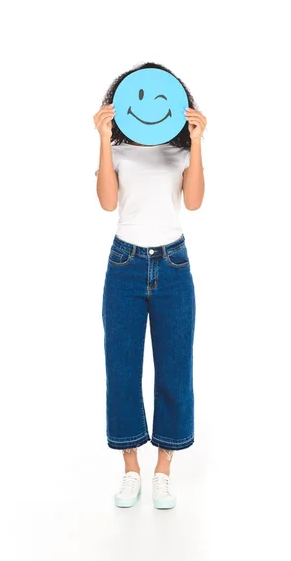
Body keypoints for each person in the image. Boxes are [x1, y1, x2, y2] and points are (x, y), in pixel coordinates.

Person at [93, 62, 206, 509]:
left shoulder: (179, 151)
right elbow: (106, 202)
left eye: (161, 98)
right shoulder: (118, 148)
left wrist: (197, 145)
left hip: (173, 264)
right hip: (125, 263)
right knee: (121, 368)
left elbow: (194, 202)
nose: (151, 106)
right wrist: (103, 140)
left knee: (175, 369)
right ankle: (130, 471)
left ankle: (163, 471)